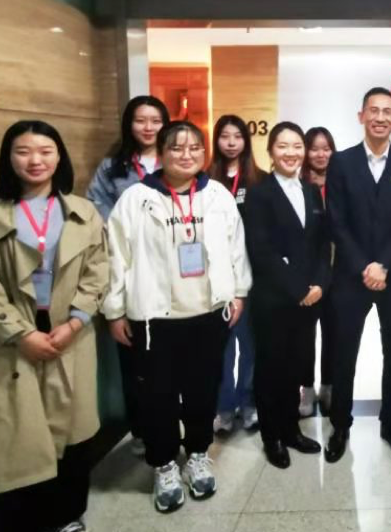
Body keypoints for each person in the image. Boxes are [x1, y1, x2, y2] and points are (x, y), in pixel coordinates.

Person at [103, 121, 251, 513]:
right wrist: (115, 310)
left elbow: (236, 248)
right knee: (158, 396)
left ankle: (198, 454)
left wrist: (238, 292)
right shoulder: (136, 198)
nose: (186, 155)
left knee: (203, 391)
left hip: (208, 312)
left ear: (204, 153)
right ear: (161, 152)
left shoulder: (217, 195)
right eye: (176, 148)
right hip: (154, 318)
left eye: (194, 148)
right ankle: (165, 464)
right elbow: (116, 257)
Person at [0, 120, 109, 532]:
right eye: (23, 151)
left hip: (70, 331)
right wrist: (20, 333)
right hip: (11, 336)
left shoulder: (82, 211)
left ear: (60, 156)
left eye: (45, 151)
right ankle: (28, 520)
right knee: (19, 431)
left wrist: (76, 321)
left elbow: (98, 271)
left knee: (73, 430)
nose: (35, 160)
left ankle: (68, 515)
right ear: (8, 157)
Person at [323, 87, 391, 464]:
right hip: (352, 276)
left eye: (387, 111)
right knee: (343, 352)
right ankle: (340, 425)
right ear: (361, 116)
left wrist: (385, 265)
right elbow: (337, 220)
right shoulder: (342, 162)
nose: (380, 117)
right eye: (374, 110)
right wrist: (365, 265)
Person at [87, 95, 170, 457]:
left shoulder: (175, 160)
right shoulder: (112, 167)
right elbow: (97, 209)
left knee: (170, 356)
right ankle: (140, 427)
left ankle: (171, 423)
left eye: (156, 120)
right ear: (129, 124)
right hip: (129, 268)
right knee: (134, 358)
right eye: (140, 120)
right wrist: (126, 232)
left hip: (171, 273)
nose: (148, 127)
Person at [245, 122, 331, 469]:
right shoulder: (259, 194)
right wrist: (299, 290)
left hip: (308, 299)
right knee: (271, 369)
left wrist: (320, 284)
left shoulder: (310, 191)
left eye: (297, 146)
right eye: (283, 146)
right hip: (274, 299)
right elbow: (261, 251)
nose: (291, 153)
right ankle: (273, 437)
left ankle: (291, 429)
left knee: (296, 366)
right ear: (271, 151)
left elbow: (322, 244)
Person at [207, 115, 262, 434]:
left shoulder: (259, 180)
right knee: (222, 347)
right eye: (224, 136)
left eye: (237, 136)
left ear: (246, 141)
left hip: (251, 276)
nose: (230, 142)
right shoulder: (204, 180)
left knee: (251, 344)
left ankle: (249, 402)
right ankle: (224, 407)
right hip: (215, 277)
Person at [298, 126, 337, 416]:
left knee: (334, 333)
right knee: (305, 335)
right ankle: (307, 388)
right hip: (307, 273)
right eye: (314, 148)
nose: (321, 154)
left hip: (339, 272)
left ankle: (329, 386)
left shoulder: (342, 181)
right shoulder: (296, 184)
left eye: (326, 148)